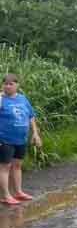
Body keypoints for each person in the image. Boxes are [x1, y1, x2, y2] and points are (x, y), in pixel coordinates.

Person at [0, 73, 42, 205]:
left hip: (21, 139)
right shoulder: (1, 99)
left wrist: (35, 133)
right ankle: (6, 195)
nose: (7, 86)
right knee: (5, 167)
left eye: (11, 83)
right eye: (5, 83)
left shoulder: (23, 99)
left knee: (17, 165)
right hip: (5, 139)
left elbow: (31, 116)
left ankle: (18, 192)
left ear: (17, 85)